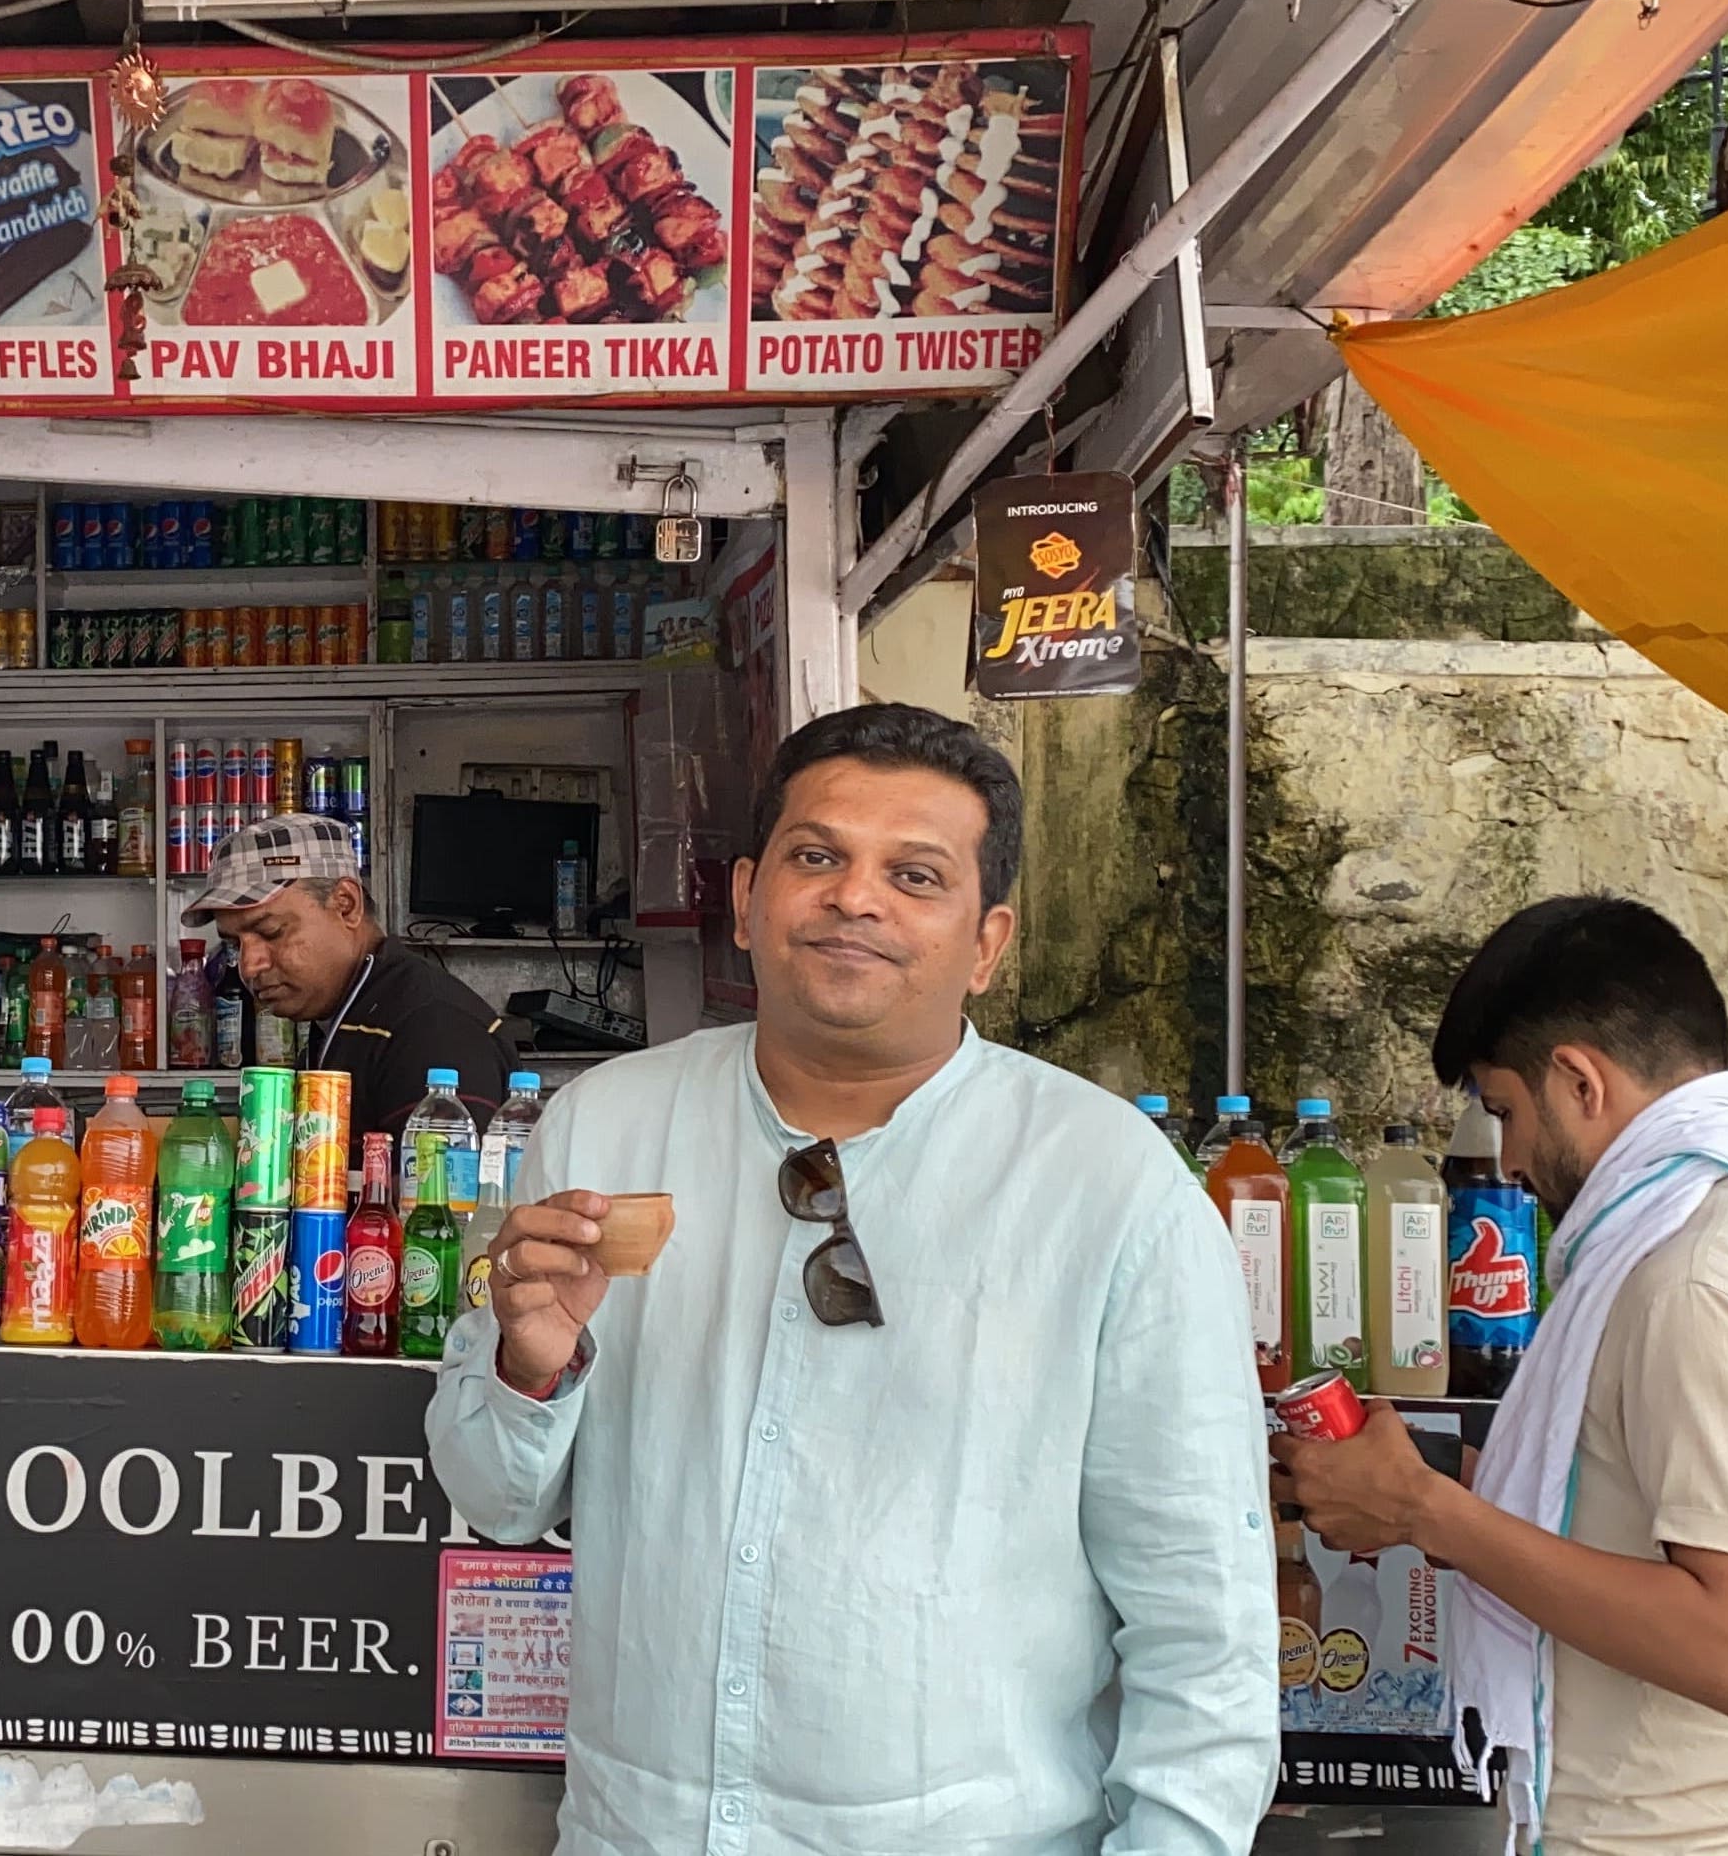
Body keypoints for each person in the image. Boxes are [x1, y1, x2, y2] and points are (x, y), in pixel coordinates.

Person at [428, 703, 1276, 1854]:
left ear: (986, 942)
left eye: (915, 875)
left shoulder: (1107, 1186)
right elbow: (493, 1497)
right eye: (816, 856)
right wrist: (531, 1362)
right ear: (744, 896)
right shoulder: (602, 1128)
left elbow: (1201, 1622)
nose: (854, 898)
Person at [1275, 897, 1728, 1856]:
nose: (1504, 1156)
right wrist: (1430, 1495)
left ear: (1580, 1081)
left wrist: (1431, 1514)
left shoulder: (1701, 1279)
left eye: (1504, 1111)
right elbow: (1676, 1528)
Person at [182, 814, 510, 1133]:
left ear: (346, 905)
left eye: (271, 932)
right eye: (235, 946)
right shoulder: (346, 1016)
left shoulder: (431, 1028)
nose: (249, 965)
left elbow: (444, 1186)